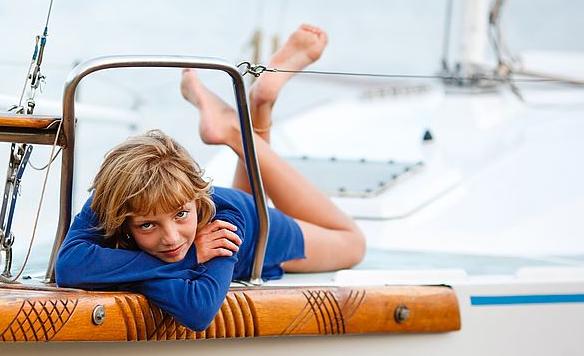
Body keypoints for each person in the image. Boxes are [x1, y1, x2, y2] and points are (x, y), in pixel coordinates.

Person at [55, 24, 365, 331]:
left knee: (352, 243)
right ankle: (260, 103)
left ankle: (234, 130)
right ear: (122, 217)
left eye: (180, 214)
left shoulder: (223, 223)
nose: (172, 238)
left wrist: (132, 269)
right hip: (229, 205)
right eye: (147, 224)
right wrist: (190, 256)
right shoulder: (117, 197)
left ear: (196, 198)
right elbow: (68, 267)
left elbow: (199, 310)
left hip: (255, 229)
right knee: (241, 192)